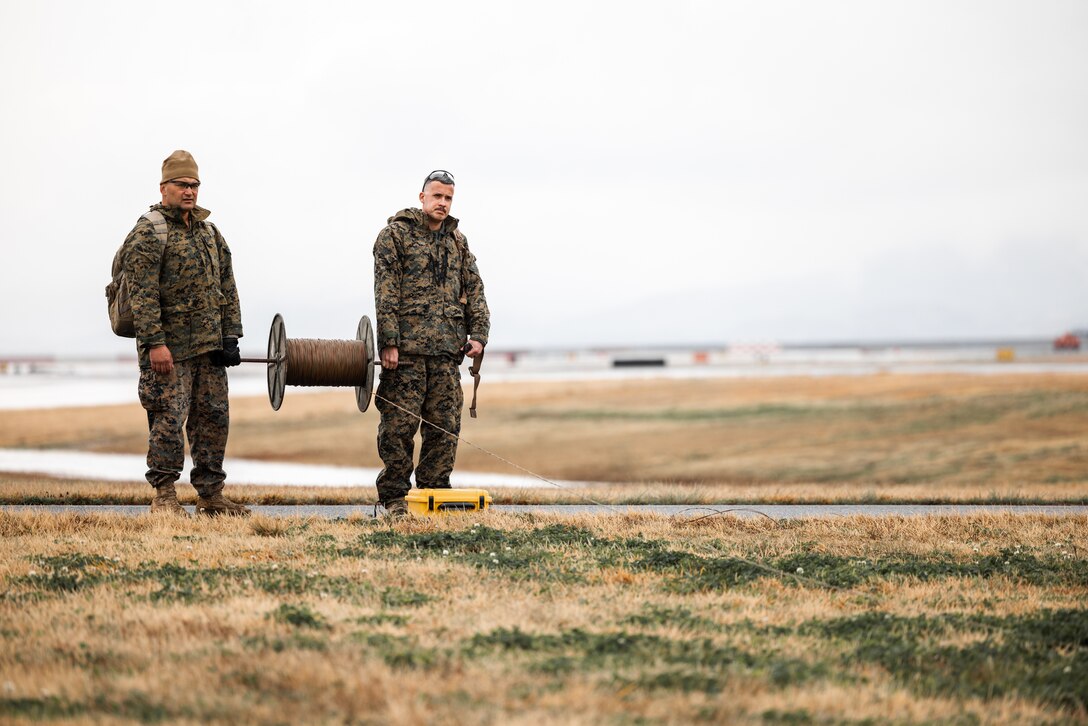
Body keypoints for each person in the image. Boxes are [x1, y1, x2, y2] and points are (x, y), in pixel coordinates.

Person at [121, 150, 250, 516]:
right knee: (167, 421)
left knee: (213, 420)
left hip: (209, 351)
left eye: (194, 185)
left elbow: (227, 285)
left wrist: (230, 336)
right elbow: (142, 293)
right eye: (182, 184)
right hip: (169, 353)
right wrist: (155, 344)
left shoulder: (210, 232)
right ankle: (164, 496)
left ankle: (211, 497)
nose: (189, 191)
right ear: (164, 188)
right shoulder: (149, 231)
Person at [373, 169, 490, 516]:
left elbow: (475, 288)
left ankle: (435, 495)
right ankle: (395, 498)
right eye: (437, 196)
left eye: (448, 198)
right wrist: (389, 341)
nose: (442, 203)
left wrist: (479, 333)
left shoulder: (458, 242)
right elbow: (385, 291)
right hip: (406, 354)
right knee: (398, 427)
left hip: (445, 353)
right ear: (422, 197)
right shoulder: (394, 236)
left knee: (445, 427)